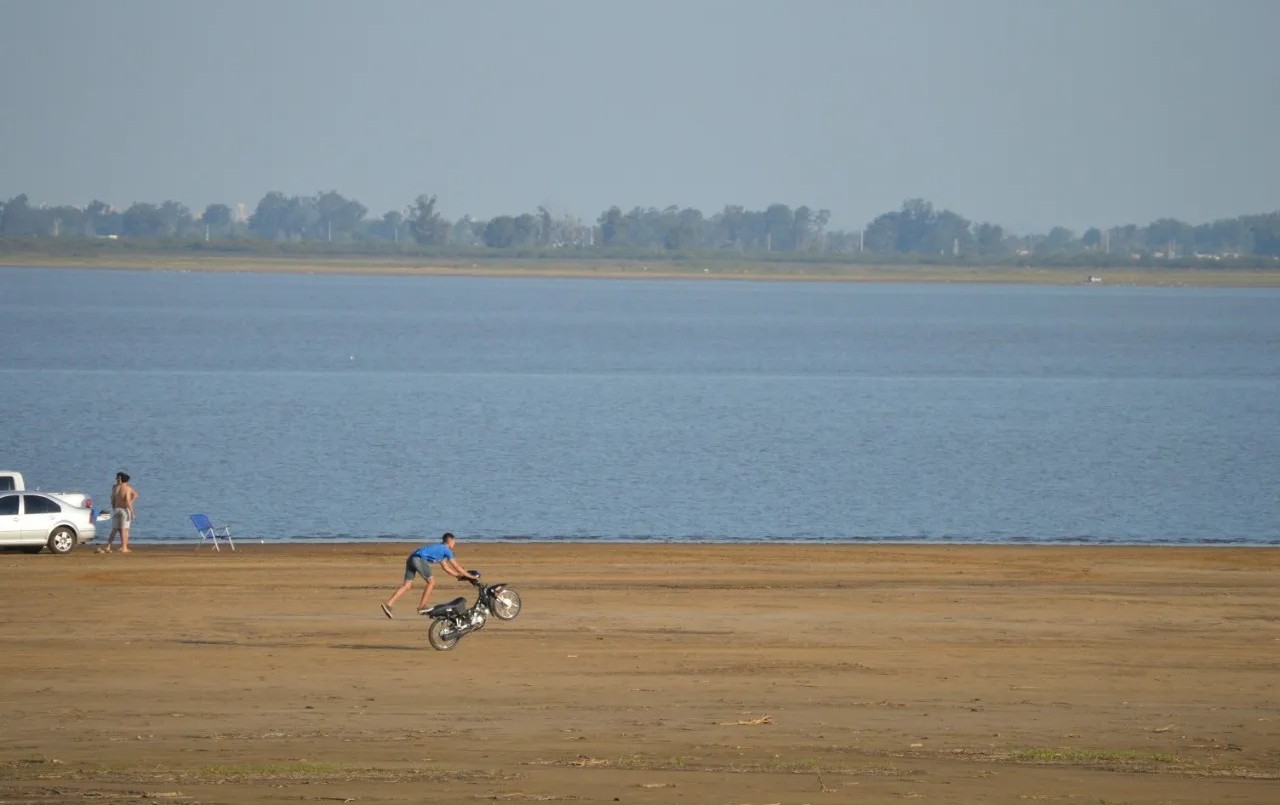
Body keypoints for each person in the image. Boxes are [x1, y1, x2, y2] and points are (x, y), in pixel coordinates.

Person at [380, 532, 477, 618]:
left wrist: (458, 576)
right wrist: (471, 576)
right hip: (418, 559)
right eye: (454, 541)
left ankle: (388, 604)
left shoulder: (440, 550)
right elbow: (457, 567)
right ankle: (422, 606)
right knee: (431, 582)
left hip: (411, 558)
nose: (455, 543)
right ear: (450, 541)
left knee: (407, 585)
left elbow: (446, 568)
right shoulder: (446, 550)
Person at [98, 472, 138, 554]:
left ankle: (108, 546)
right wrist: (132, 512)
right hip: (124, 510)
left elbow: (112, 499)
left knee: (115, 529)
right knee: (124, 529)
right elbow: (129, 500)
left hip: (116, 509)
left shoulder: (115, 487)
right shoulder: (127, 488)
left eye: (118, 478)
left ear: (122, 479)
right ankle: (124, 547)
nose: (117, 479)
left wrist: (114, 508)